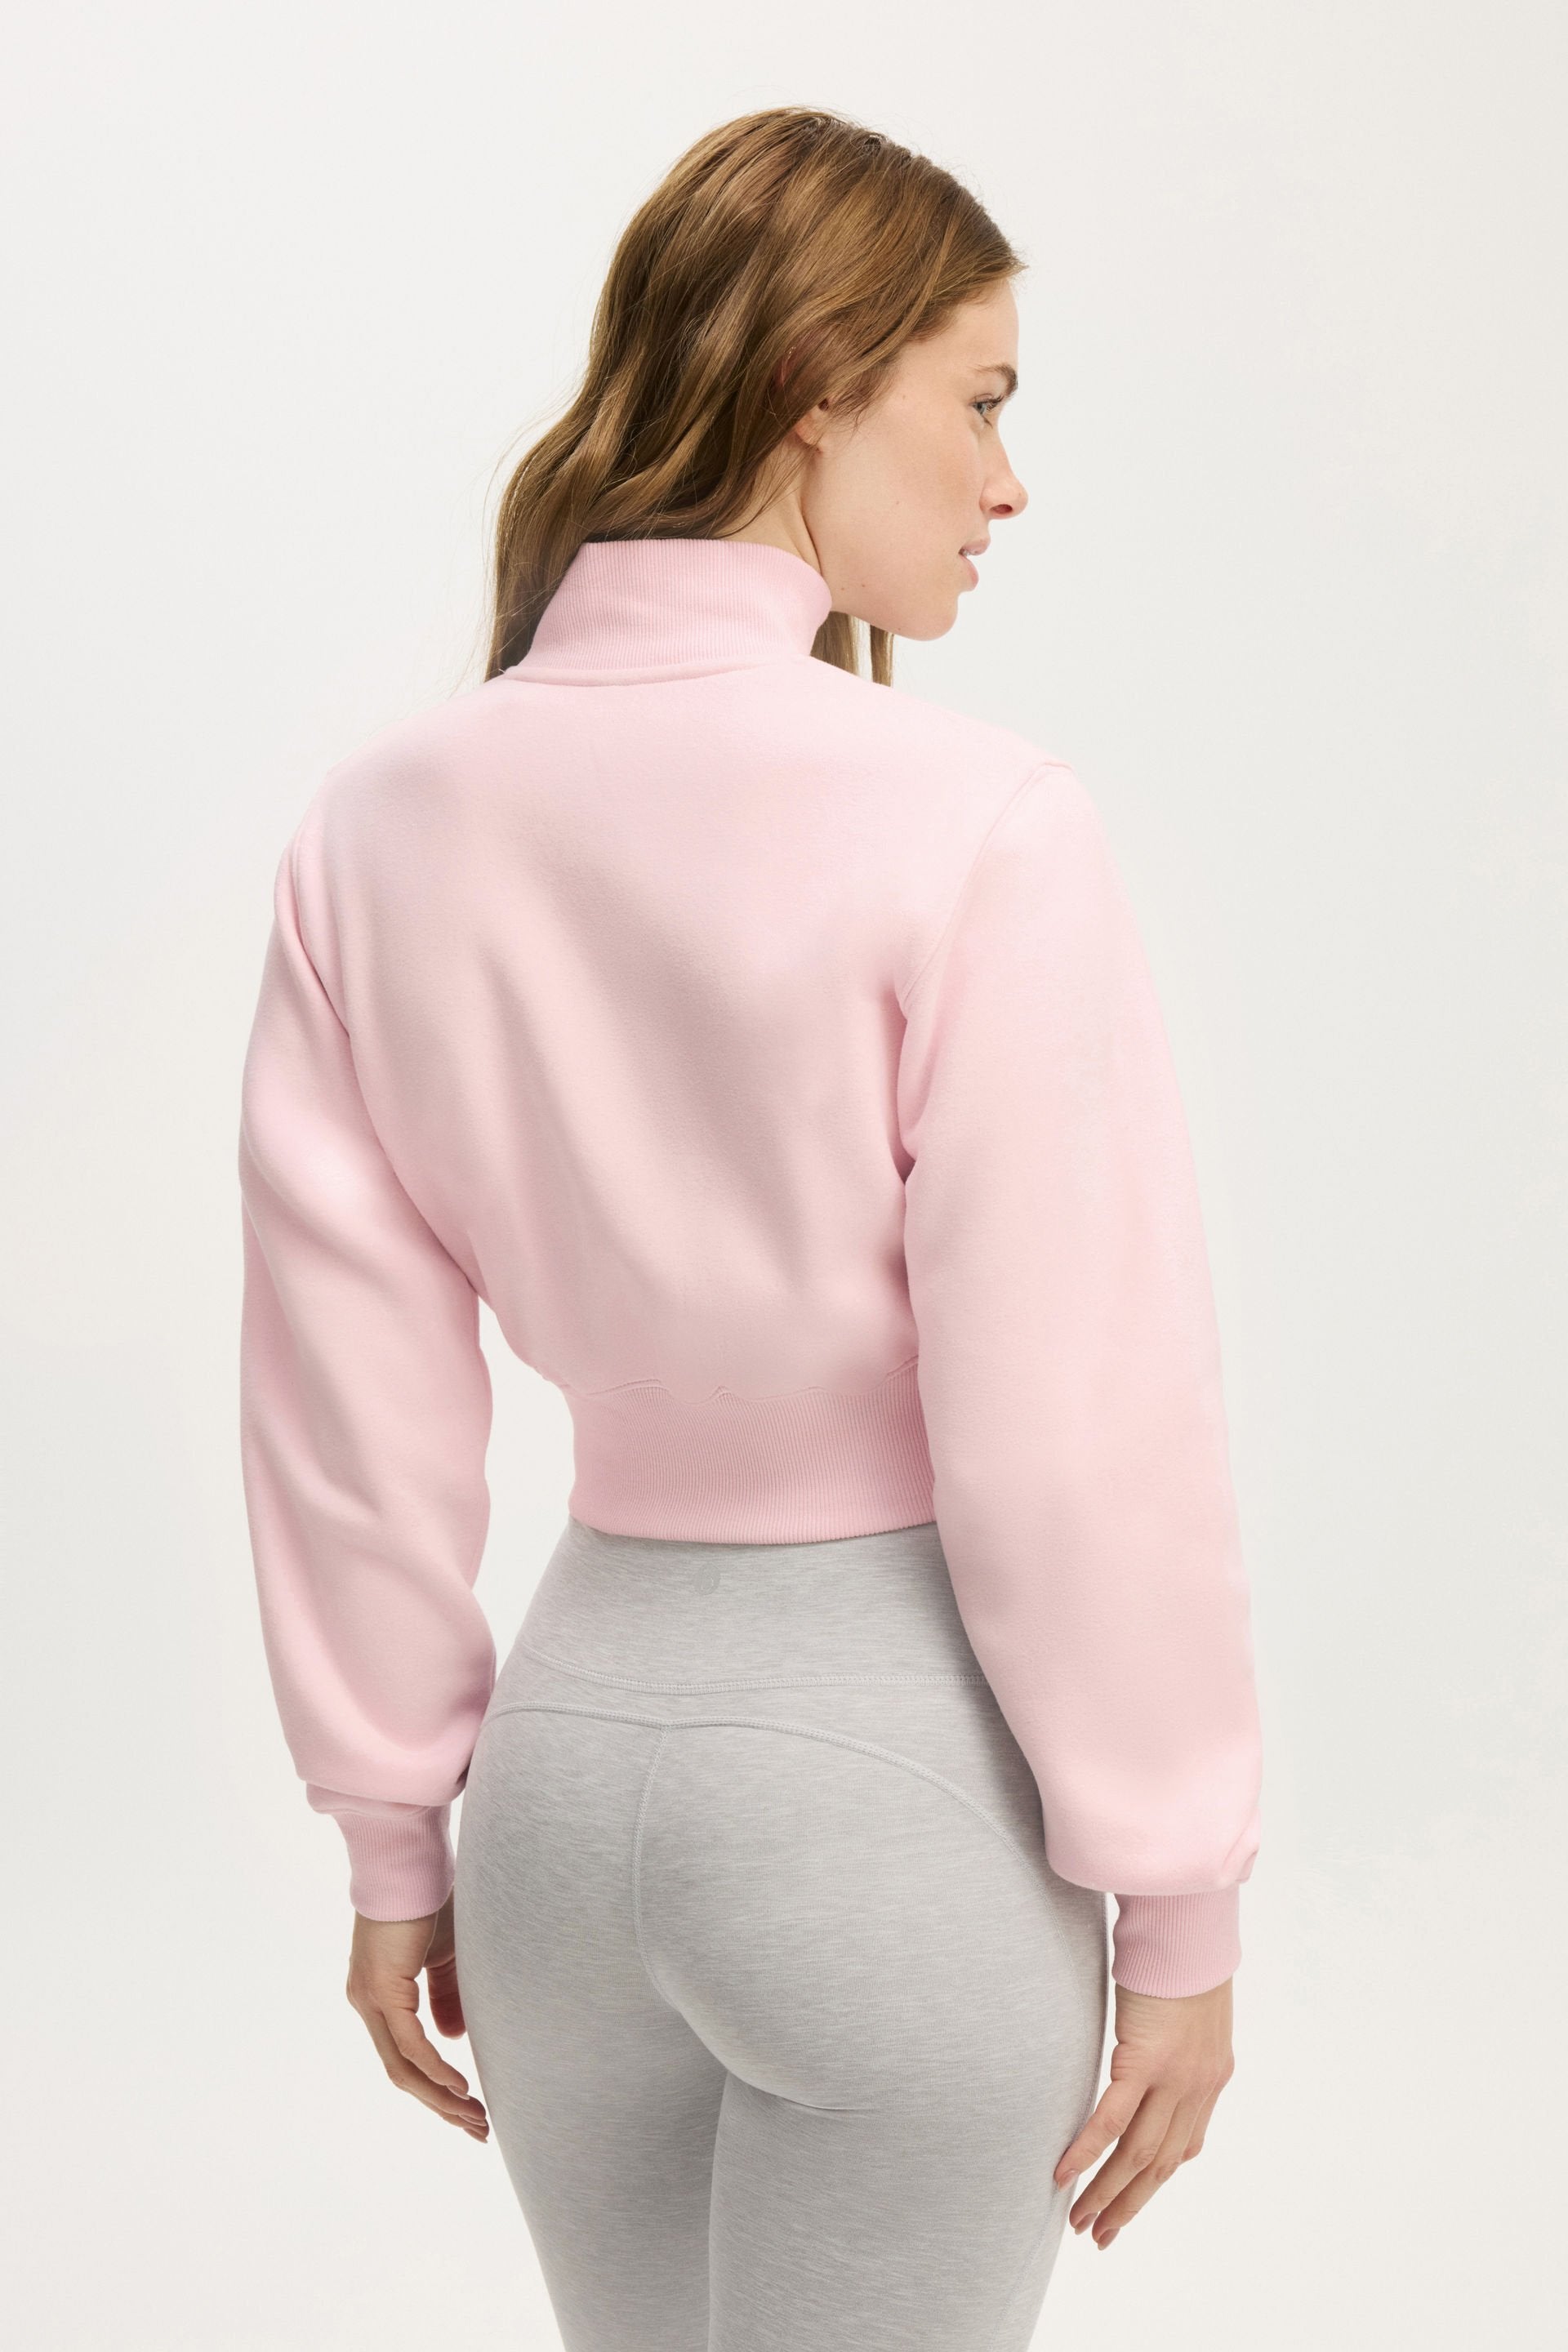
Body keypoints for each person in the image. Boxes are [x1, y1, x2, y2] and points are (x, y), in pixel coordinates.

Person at [238, 104, 1263, 2349]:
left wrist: (394, 1835)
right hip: (889, 1805)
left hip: (559, 1805)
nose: (1008, 483)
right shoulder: (978, 822)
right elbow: (1073, 1419)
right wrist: (1177, 1892)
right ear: (817, 381)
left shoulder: (379, 825)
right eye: (979, 402)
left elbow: (345, 1406)